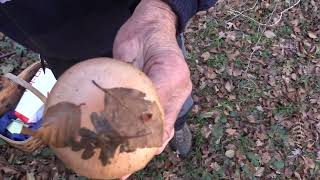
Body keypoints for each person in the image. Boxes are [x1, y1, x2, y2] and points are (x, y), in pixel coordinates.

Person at [0, 0, 217, 158]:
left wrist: (160, 11)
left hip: (138, 29)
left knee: (168, 99)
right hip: (55, 49)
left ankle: (178, 125)